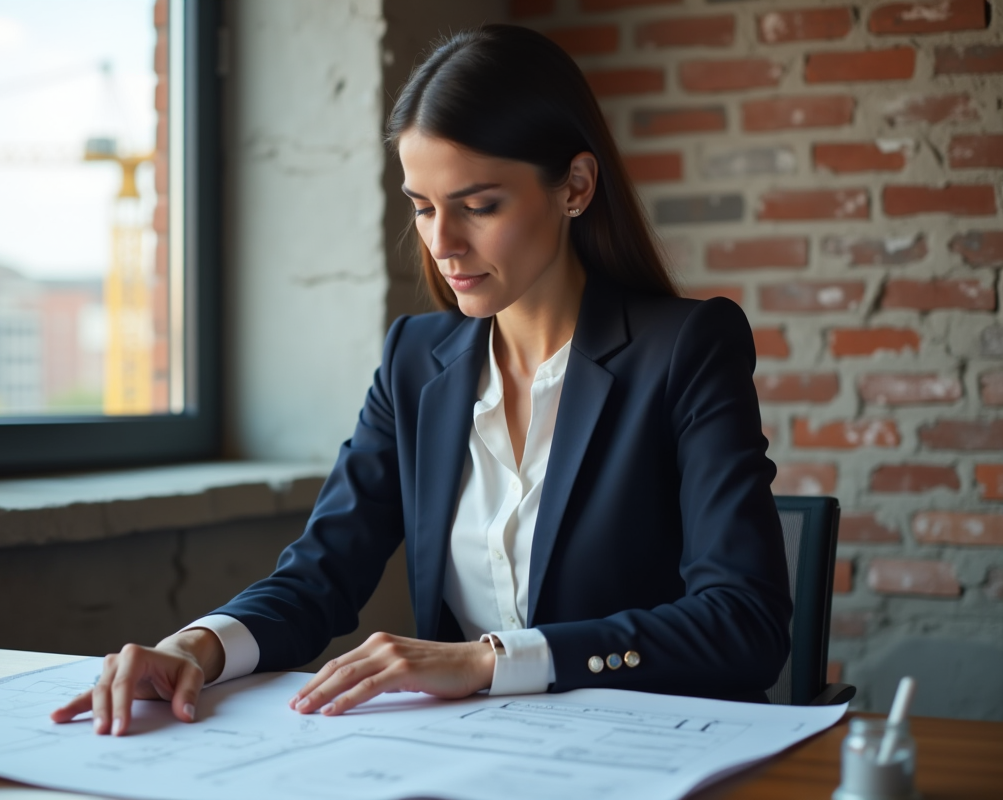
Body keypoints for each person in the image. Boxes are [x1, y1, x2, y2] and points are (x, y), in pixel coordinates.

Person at [52, 24, 791, 737]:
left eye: (479, 205)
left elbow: (744, 623)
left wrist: (486, 660)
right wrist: (195, 648)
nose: (442, 244)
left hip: (645, 756)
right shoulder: (417, 359)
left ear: (574, 185)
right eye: (423, 207)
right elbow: (321, 575)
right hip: (464, 757)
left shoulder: (687, 348)